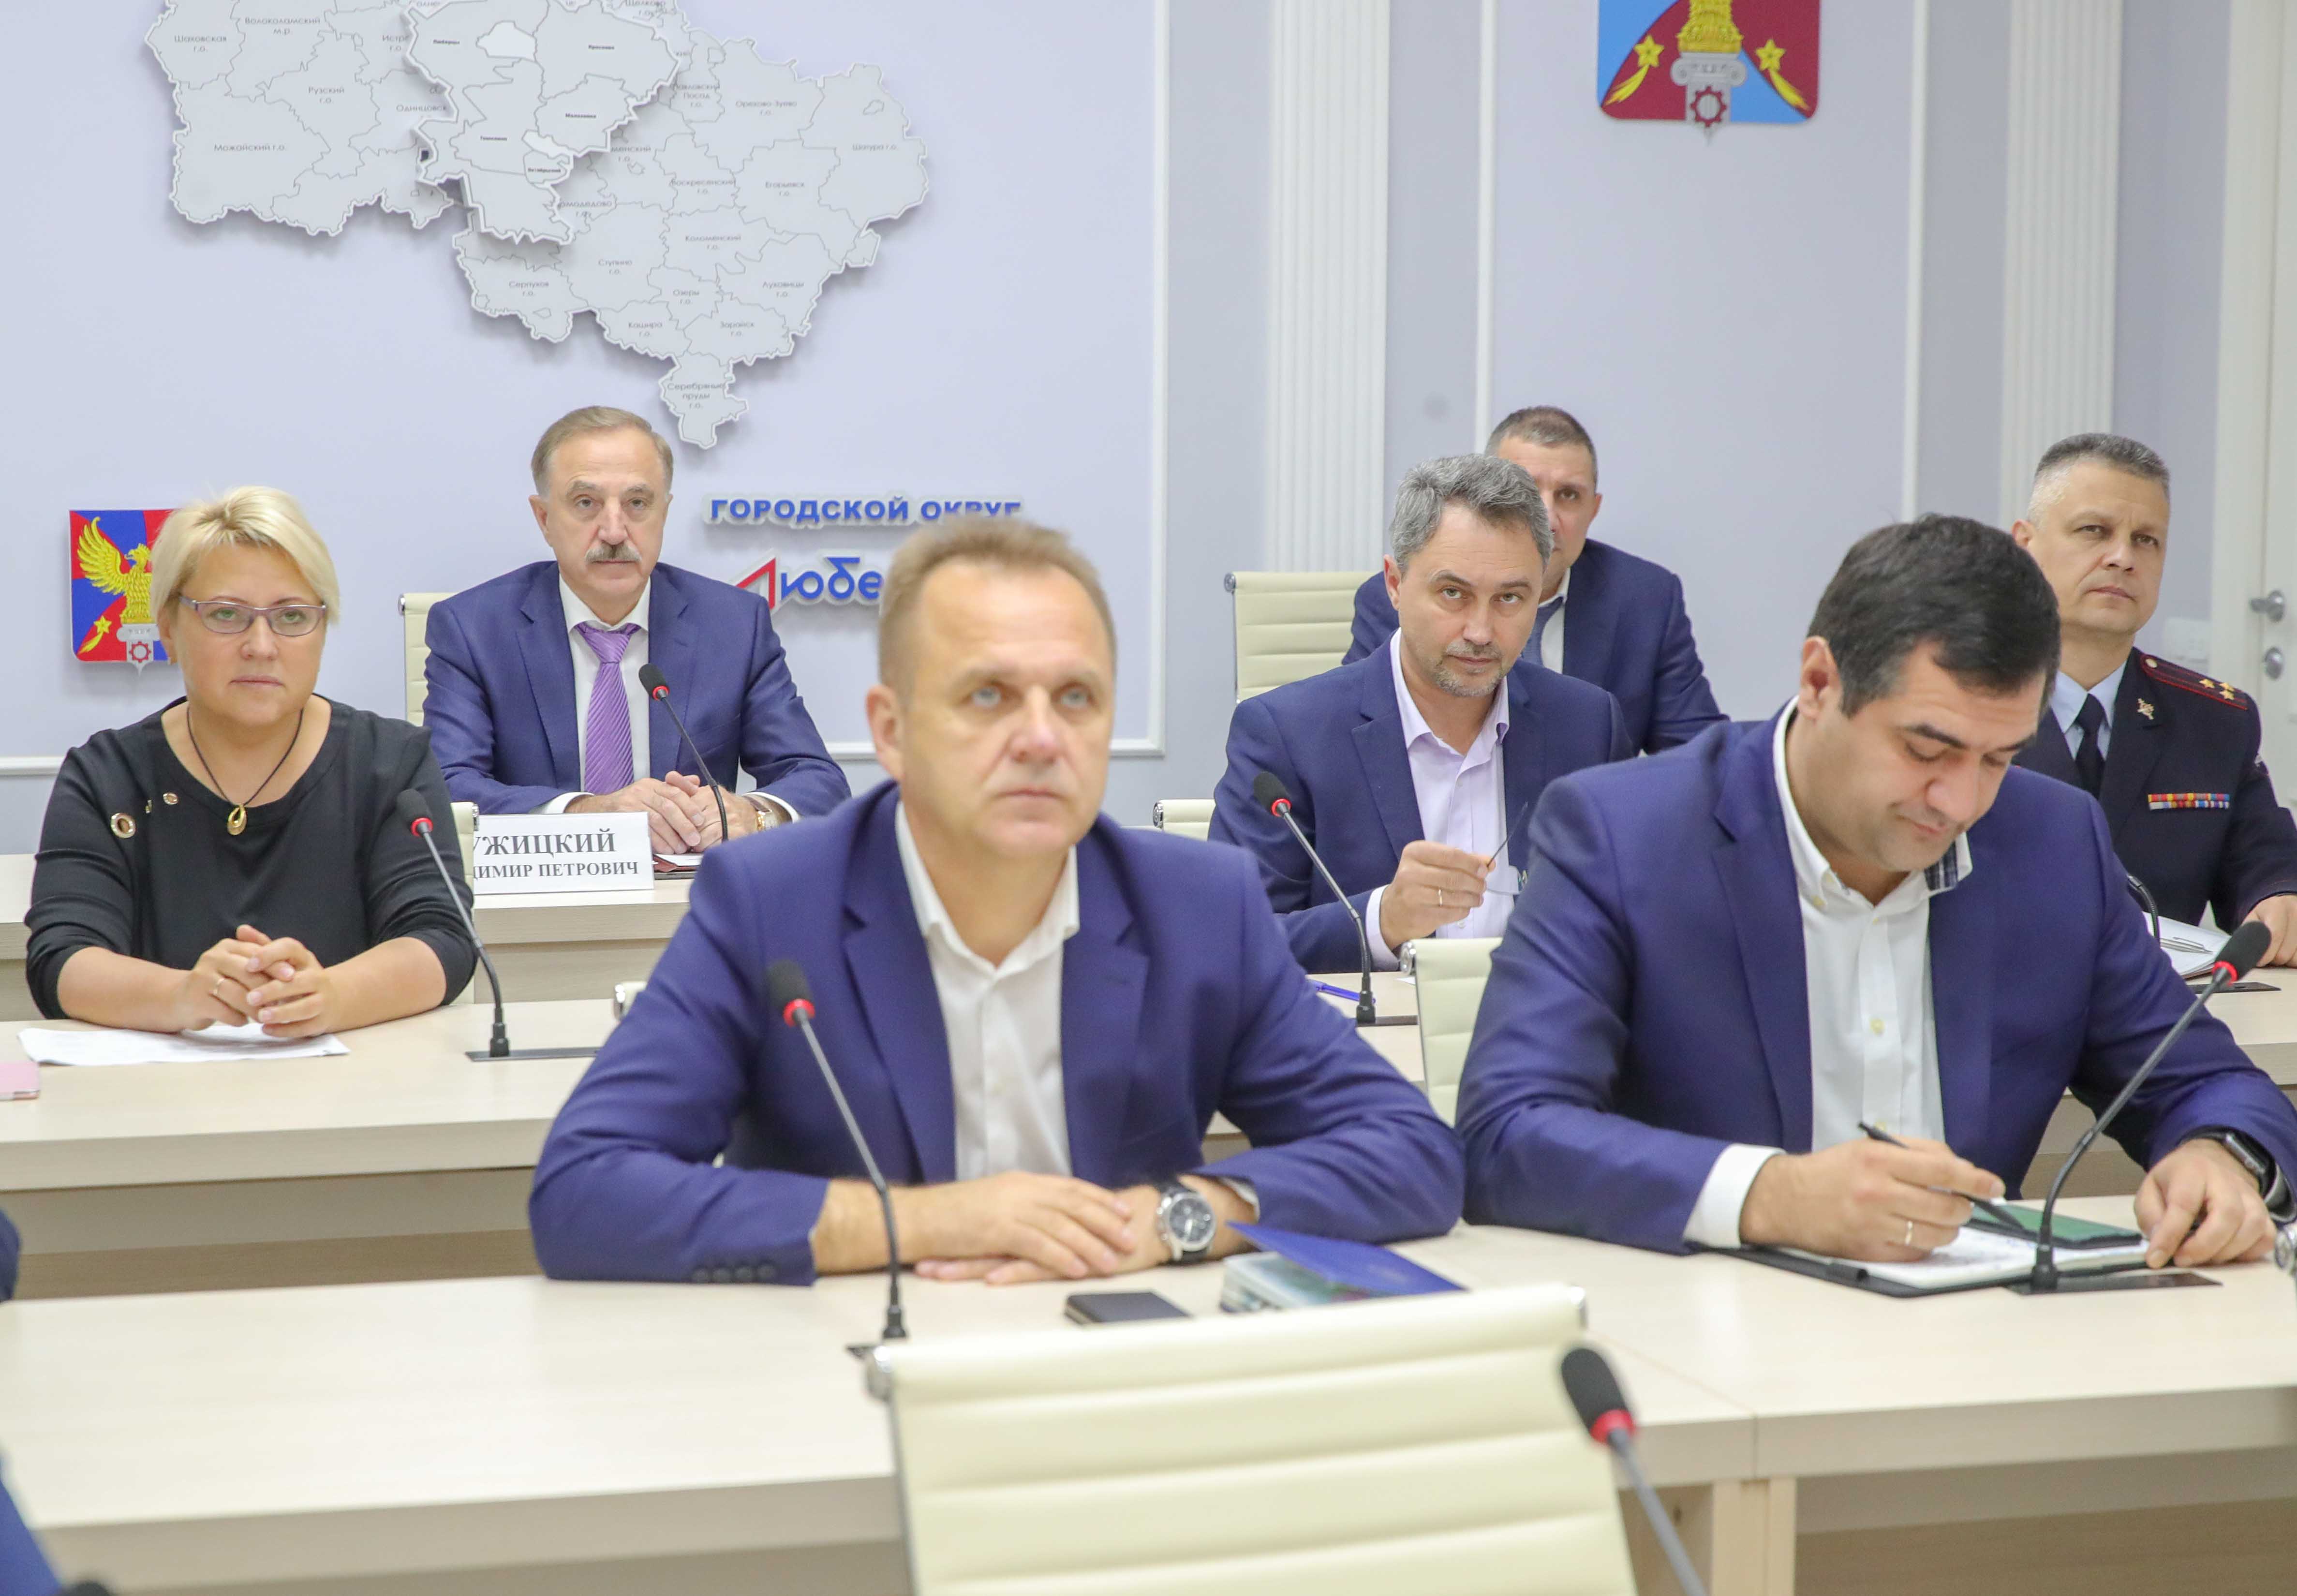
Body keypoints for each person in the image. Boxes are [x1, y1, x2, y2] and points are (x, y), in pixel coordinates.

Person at [530, 517, 1462, 1286]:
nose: (1041, 739)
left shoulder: (1196, 906)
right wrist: (928, 1221)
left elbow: (1407, 1151)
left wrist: (1173, 1217)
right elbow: (585, 1189)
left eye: (1076, 698)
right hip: (849, 1371)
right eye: (987, 696)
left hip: (1107, 1364)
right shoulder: (771, 902)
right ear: (891, 731)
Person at [1458, 515, 2297, 1269]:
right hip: (1710, 1325)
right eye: (1925, 750)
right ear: (1819, 682)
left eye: (1998, 759)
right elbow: (1505, 1134)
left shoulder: (2051, 842)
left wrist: (2220, 1158)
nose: (1958, 802)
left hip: (1980, 1337)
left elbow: (2207, 1084)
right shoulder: (1623, 834)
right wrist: (1771, 1196)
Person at [27, 489, 476, 1035]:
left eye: (292, 617)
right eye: (226, 615)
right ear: (167, 627)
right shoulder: (107, 776)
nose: (261, 646)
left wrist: (332, 998)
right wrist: (183, 996)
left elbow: (442, 939)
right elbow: (62, 958)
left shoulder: (391, 765)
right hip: (159, 1081)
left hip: (353, 1075)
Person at [1212, 454, 1632, 973]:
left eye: (1509, 598)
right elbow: (1230, 945)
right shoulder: (1286, 736)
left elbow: (1636, 919)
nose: (1480, 632)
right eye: (1453, 594)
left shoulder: (1588, 726)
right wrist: (1381, 920)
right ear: (1394, 583)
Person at [423, 406, 848, 852]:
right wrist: (588, 813)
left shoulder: (733, 625)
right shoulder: (474, 629)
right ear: (544, 518)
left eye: (637, 504)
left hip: (689, 889)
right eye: (585, 503)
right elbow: (446, 785)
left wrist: (753, 815)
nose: (613, 532)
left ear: (663, 513)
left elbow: (816, 779)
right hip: (541, 886)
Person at [2010, 433, 2297, 962]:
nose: (2122, 558)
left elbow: (2265, 859)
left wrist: (2278, 897)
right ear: (2025, 545)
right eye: (2094, 531)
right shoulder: (1962, 710)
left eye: (2146, 540)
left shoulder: (2213, 720)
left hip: (2164, 999)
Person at [1344, 406, 1724, 753]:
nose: (1546, 518)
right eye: (1524, 492)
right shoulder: (1405, 595)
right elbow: (1356, 732)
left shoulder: (1645, 598)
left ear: (1593, 510)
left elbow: (1700, 755)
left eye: (1568, 495)